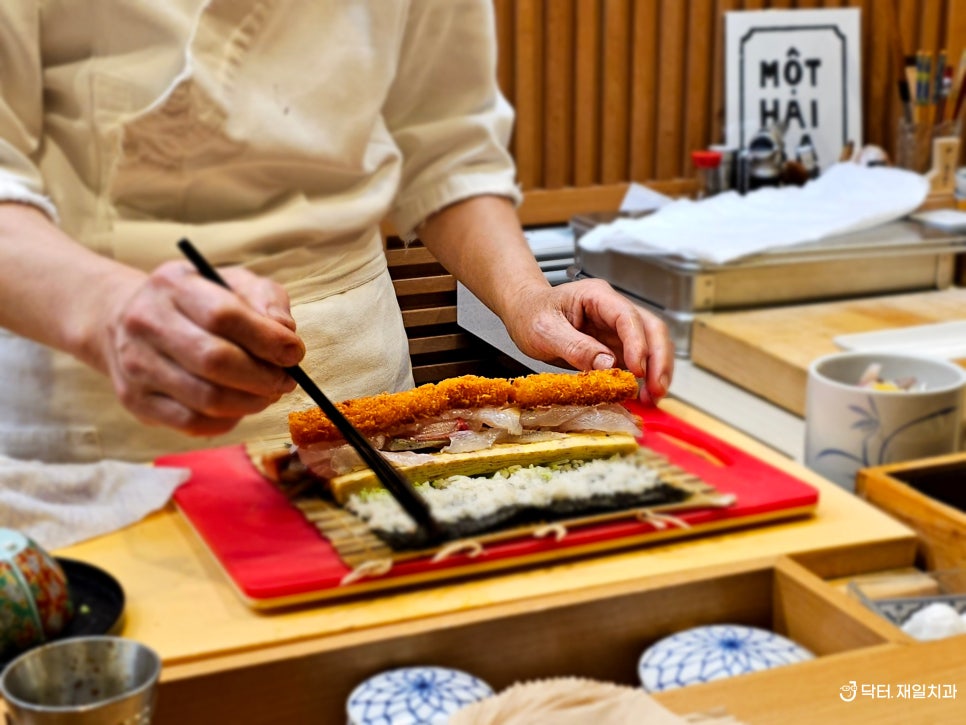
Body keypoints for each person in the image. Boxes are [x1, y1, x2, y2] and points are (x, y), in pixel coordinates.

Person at [0, 1, 672, 464]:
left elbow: (443, 146)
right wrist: (109, 309)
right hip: (88, 405)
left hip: (360, 402)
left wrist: (528, 296)